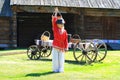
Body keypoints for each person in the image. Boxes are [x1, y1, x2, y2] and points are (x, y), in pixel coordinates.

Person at [51, 7, 68, 73]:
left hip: (62, 46)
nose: (61, 25)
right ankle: (55, 69)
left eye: (62, 24)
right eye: (59, 24)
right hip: (55, 45)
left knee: (61, 59)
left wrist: (66, 47)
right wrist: (56, 12)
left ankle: (61, 69)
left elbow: (66, 40)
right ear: (57, 24)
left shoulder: (65, 31)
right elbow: (54, 21)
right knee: (55, 59)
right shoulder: (55, 29)